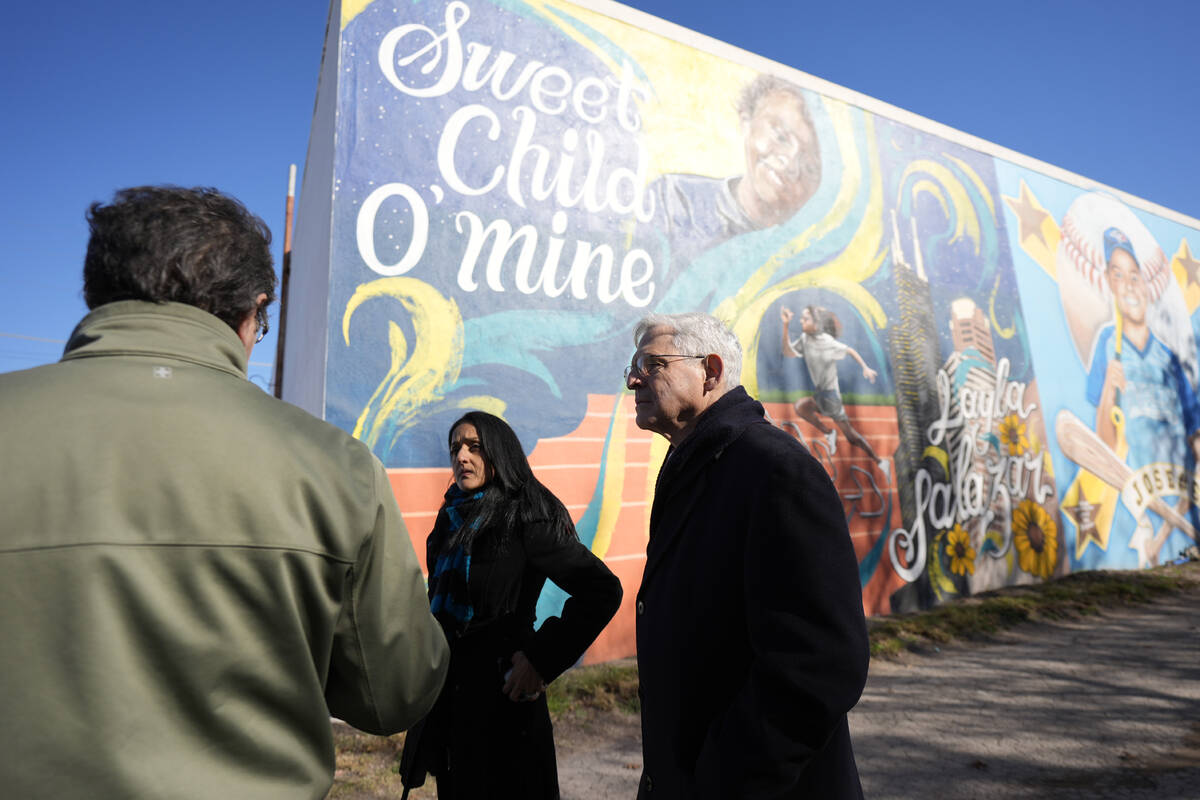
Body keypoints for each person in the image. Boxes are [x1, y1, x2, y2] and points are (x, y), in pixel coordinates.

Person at [0, 186, 449, 799]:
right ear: (252, 310)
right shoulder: (334, 466)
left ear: (97, 296)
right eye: (263, 327)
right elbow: (395, 690)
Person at [626, 312, 869, 799]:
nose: (634, 379)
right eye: (634, 366)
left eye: (652, 365)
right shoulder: (694, 464)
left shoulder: (775, 471)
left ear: (710, 372)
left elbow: (819, 663)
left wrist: (724, 779)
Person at [399, 411, 622, 799]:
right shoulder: (451, 519)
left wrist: (539, 659)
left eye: (474, 447)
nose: (461, 457)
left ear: (498, 453)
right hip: (451, 704)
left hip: (503, 705)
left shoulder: (525, 517)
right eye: (455, 449)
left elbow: (601, 590)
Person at [1087, 226, 1200, 562]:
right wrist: (1109, 387)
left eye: (1134, 275)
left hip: (1179, 493)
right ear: (1109, 283)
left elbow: (1194, 428)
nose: (1129, 285)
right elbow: (1103, 445)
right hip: (1135, 502)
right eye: (1118, 275)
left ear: (1146, 286)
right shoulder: (1107, 347)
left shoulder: (1170, 359)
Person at [647, 74, 822, 269]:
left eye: (809, 164)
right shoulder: (674, 199)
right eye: (780, 137)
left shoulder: (808, 256)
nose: (790, 163)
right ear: (746, 121)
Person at [780, 304, 889, 479]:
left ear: (817, 323)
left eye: (805, 319)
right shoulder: (805, 339)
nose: (801, 321)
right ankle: (829, 432)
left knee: (852, 437)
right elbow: (788, 351)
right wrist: (785, 325)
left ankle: (880, 461)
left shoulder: (827, 341)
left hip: (831, 397)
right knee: (801, 407)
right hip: (819, 394)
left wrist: (865, 368)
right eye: (801, 318)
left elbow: (850, 350)